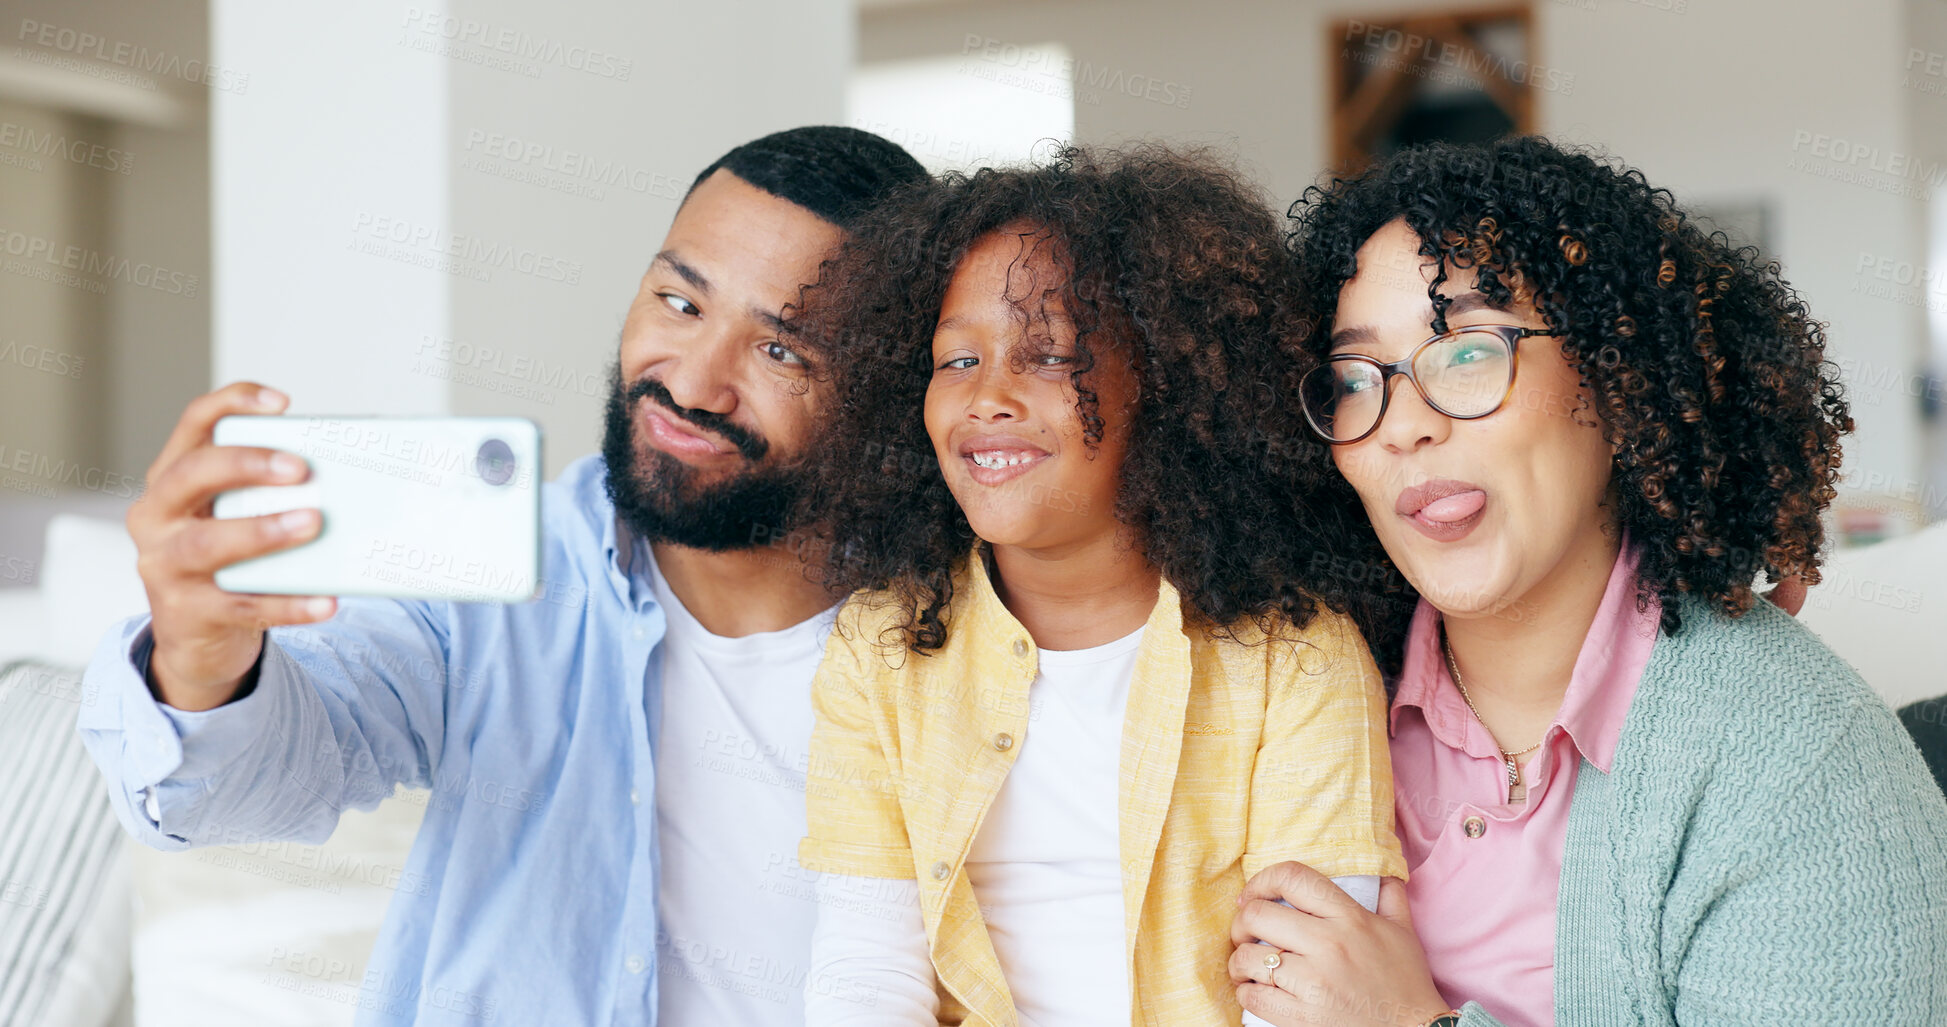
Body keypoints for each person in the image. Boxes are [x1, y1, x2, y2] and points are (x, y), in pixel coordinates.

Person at [77, 126, 928, 1027]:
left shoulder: (956, 645)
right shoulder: (496, 576)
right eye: (680, 303)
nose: (693, 383)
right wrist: (203, 660)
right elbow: (243, 787)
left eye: (781, 351)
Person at [1228, 136, 1947, 1026]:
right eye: (1354, 376)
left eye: (1465, 350)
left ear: (1617, 379)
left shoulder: (1804, 765)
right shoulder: (1290, 701)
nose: (1401, 424)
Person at [786, 145, 1407, 1026]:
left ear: (1165, 382)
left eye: (1045, 357)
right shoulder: (877, 645)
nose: (987, 397)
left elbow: (1307, 998)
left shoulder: (1297, 656)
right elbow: (863, 977)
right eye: (955, 361)